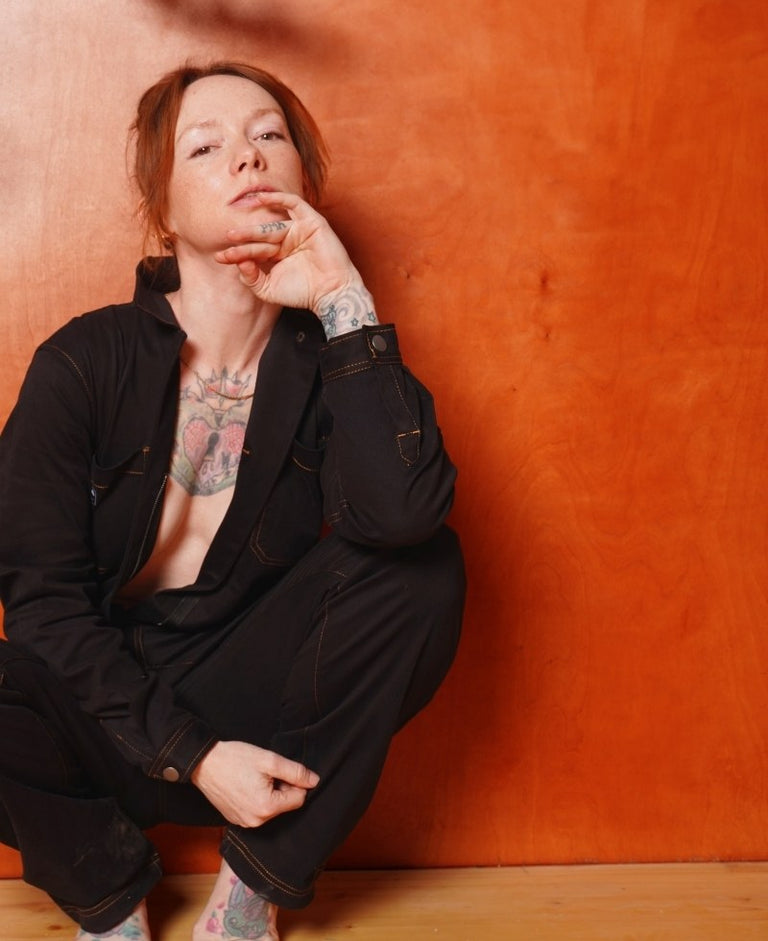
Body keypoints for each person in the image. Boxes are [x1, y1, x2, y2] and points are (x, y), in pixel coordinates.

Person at [0, 61, 465, 941]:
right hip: (106, 706)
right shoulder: (80, 365)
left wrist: (342, 301)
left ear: (304, 181)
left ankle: (253, 890)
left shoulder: (331, 359)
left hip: (253, 687)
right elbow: (45, 609)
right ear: (161, 207)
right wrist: (194, 756)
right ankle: (109, 898)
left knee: (426, 568)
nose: (247, 158)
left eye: (269, 136)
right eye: (206, 147)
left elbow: (404, 516)